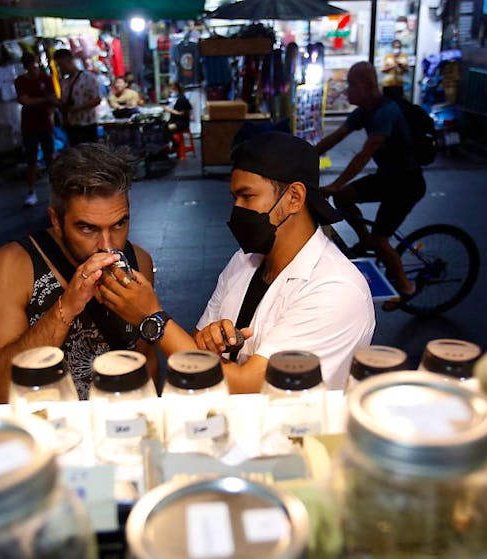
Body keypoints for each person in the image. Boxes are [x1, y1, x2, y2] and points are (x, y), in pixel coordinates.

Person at [97, 132, 375, 391]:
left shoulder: (336, 289)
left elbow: (247, 386)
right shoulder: (245, 260)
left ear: (294, 198)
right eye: (235, 198)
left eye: (247, 196)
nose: (237, 209)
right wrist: (210, 343)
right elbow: (194, 350)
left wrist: (152, 317)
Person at [0, 143, 157, 403]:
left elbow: (147, 361)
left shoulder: (139, 261)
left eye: (119, 224)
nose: (107, 245)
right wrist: (68, 306)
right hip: (48, 423)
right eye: (87, 228)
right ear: (56, 220)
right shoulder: (14, 266)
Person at [317, 61, 425, 303]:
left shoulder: (387, 112)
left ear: (366, 85)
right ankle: (365, 240)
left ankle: (406, 287)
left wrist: (335, 184)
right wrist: (301, 157)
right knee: (343, 197)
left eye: (351, 85)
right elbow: (335, 137)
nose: (347, 90)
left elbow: (364, 154)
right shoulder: (363, 111)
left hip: (407, 184)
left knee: (380, 240)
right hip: (388, 178)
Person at [14, 51, 59, 207]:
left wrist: (45, 105)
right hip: (29, 124)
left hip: (44, 122)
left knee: (50, 157)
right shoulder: (20, 80)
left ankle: (54, 192)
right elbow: (24, 101)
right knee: (31, 159)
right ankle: (31, 191)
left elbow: (52, 100)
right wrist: (44, 100)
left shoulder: (46, 78)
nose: (32, 68)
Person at [54, 48, 101, 146]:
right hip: (71, 126)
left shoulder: (88, 78)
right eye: (58, 66)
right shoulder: (64, 82)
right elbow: (64, 102)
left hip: (87, 125)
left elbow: (97, 99)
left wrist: (78, 108)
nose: (60, 69)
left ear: (69, 60)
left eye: (61, 65)